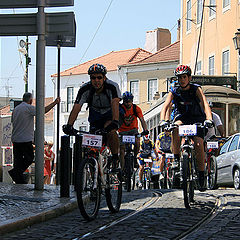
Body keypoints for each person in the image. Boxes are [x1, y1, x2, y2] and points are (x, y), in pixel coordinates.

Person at [160, 65, 213, 191]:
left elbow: (205, 103)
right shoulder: (174, 90)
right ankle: (177, 158)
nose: (182, 80)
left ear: (189, 78)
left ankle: (201, 175)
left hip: (196, 118)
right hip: (182, 118)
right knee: (175, 128)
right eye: (179, 77)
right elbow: (166, 105)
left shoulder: (196, 89)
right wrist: (163, 120)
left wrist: (209, 119)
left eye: (184, 77)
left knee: (199, 144)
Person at [62, 63, 121, 170]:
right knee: (92, 142)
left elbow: (115, 103)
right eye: (93, 78)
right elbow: (76, 108)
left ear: (104, 77)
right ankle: (91, 166)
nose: (96, 80)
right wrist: (69, 125)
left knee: (111, 131)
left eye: (99, 77)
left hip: (110, 112)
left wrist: (115, 121)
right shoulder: (85, 89)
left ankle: (115, 157)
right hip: (95, 114)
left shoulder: (112, 86)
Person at [9, 92, 60, 184]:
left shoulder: (16, 109)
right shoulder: (28, 108)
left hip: (15, 139)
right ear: (31, 100)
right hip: (25, 139)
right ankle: (15, 173)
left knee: (18, 160)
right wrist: (55, 103)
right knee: (29, 158)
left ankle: (18, 180)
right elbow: (43, 111)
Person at [118, 91, 149, 170]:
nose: (128, 104)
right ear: (123, 101)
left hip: (133, 130)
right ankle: (121, 168)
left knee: (137, 142)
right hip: (122, 131)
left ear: (132, 101)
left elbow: (142, 120)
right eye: (126, 102)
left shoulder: (136, 108)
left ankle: (135, 158)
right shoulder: (120, 109)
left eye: (129, 101)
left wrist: (145, 130)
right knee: (121, 150)